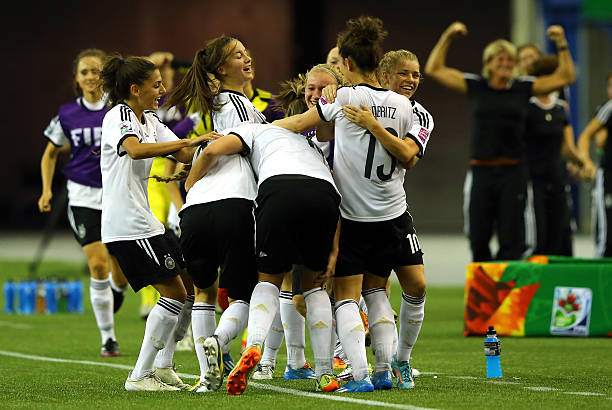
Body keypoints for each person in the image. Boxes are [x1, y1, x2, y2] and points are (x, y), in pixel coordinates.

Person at [273, 16, 423, 392]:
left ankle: (358, 375)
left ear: (350, 65)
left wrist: (255, 133)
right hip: (391, 213)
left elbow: (302, 122)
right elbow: (405, 153)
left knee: (345, 296)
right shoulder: (405, 107)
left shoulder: (345, 98)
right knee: (377, 294)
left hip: (353, 217)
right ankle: (385, 370)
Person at [184, 119, 341, 395]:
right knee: (314, 286)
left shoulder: (254, 129)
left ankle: (252, 344)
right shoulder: (314, 147)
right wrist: (335, 250)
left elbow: (213, 150)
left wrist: (189, 184)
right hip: (324, 194)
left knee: (267, 280)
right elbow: (334, 190)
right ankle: (325, 373)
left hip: (274, 190)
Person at [99, 54, 215, 391]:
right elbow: (134, 151)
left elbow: (182, 154)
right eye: (156, 85)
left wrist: (223, 147)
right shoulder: (118, 116)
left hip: (145, 219)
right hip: (126, 222)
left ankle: (163, 367)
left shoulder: (149, 116)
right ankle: (139, 375)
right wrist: (186, 141)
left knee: (188, 286)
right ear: (135, 89)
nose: (163, 89)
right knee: (174, 293)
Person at [163, 35, 268, 387]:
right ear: (222, 69)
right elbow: (222, 150)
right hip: (234, 204)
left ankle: (208, 377)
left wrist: (191, 189)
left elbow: (198, 148)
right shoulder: (238, 106)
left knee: (205, 292)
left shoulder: (210, 107)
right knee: (244, 295)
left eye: (246, 51)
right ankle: (219, 341)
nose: (247, 57)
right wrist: (191, 180)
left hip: (194, 214)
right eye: (238, 55)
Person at [324, 48, 433, 385]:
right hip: (353, 213)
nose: (411, 81)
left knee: (414, 285)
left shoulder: (420, 115)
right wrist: (331, 88)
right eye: (404, 74)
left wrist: (372, 125)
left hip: (392, 212)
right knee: (365, 291)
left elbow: (408, 157)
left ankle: (399, 360)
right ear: (385, 76)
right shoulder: (357, 98)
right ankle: (350, 358)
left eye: (415, 75)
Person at [424, 22, 575, 262]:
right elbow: (434, 69)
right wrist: (448, 36)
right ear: (488, 63)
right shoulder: (476, 86)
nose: (505, 64)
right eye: (500, 59)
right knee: (479, 237)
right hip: (481, 170)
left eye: (510, 60)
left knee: (511, 239)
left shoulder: (523, 88)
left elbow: (567, 76)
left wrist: (562, 44)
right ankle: (483, 296)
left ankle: (508, 295)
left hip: (513, 172)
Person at [250, 63, 344, 382]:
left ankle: (280, 360)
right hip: (321, 205)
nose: (316, 95)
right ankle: (287, 362)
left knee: (298, 288)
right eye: (311, 89)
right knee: (297, 287)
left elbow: (326, 127)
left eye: (324, 89)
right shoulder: (298, 127)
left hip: (344, 208)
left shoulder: (339, 120)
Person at [38, 48, 129, 358]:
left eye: (96, 70)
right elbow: (50, 153)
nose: (91, 76)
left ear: (105, 75)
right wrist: (47, 190)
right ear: (77, 79)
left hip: (117, 195)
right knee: (98, 263)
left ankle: (116, 291)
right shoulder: (67, 114)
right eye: (84, 72)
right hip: (83, 196)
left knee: (122, 270)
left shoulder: (119, 109)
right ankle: (108, 338)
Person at [523, 55, 585, 256]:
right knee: (539, 236)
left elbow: (567, 148)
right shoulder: (527, 107)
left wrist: (583, 163)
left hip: (557, 179)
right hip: (534, 181)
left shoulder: (560, 109)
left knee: (562, 234)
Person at [578, 71, 612, 257]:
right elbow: (594, 139)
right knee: (607, 232)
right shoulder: (607, 109)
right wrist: (585, 160)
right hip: (608, 175)